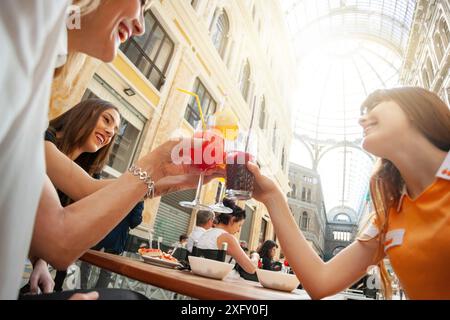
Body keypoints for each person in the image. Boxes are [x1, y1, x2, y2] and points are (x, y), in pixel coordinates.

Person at [0, 0, 221, 300]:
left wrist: (167, 182)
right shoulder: (40, 134)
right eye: (142, 3)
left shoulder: (30, 86)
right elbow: (76, 207)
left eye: (116, 130)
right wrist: (156, 168)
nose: (142, 24)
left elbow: (55, 223)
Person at [246, 87, 450, 300]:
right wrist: (273, 197)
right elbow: (320, 281)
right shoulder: (390, 216)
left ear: (415, 110)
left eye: (375, 106)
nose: (362, 120)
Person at [78, 201, 144, 290]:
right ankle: (97, 295)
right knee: (107, 269)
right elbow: (134, 221)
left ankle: (82, 290)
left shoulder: (115, 186)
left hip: (99, 228)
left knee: (87, 260)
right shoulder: (140, 197)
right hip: (116, 237)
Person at [197, 199, 256, 275]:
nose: (238, 230)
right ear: (232, 220)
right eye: (239, 225)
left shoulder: (206, 233)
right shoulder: (227, 238)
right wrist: (255, 256)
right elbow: (251, 268)